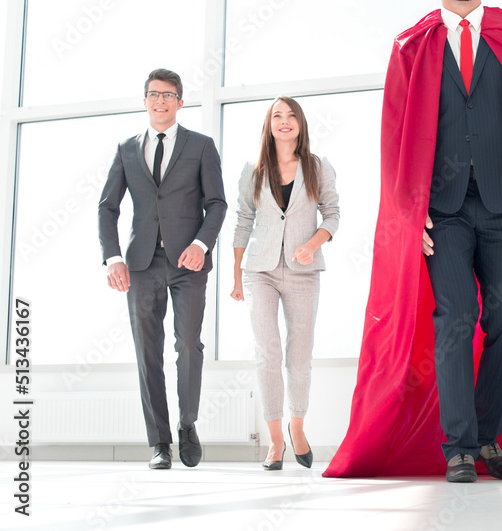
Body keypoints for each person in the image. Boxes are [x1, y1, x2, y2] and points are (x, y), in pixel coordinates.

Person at [323, 0, 502, 483]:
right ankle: (458, 446)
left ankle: (485, 435)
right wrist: (411, 212)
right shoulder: (412, 46)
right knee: (455, 319)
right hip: (444, 212)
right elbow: (396, 136)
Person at [98, 68, 227, 469]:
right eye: (154, 94)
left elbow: (217, 203)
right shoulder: (126, 149)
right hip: (140, 265)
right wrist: (113, 257)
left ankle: (187, 424)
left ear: (180, 101)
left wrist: (201, 244)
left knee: (189, 344)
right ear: (144, 100)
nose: (160, 101)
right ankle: (159, 443)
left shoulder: (201, 145)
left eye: (168, 95)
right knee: (146, 353)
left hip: (188, 263)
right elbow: (108, 208)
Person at [230, 96, 340, 470]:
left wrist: (311, 245)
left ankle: (297, 426)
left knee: (299, 355)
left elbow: (333, 215)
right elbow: (243, 221)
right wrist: (235, 275)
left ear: (301, 123)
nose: (285, 121)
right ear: (269, 124)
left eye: (291, 115)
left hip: (303, 272)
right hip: (259, 270)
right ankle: (275, 441)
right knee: (267, 353)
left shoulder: (318, 167)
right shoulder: (253, 170)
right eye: (277, 115)